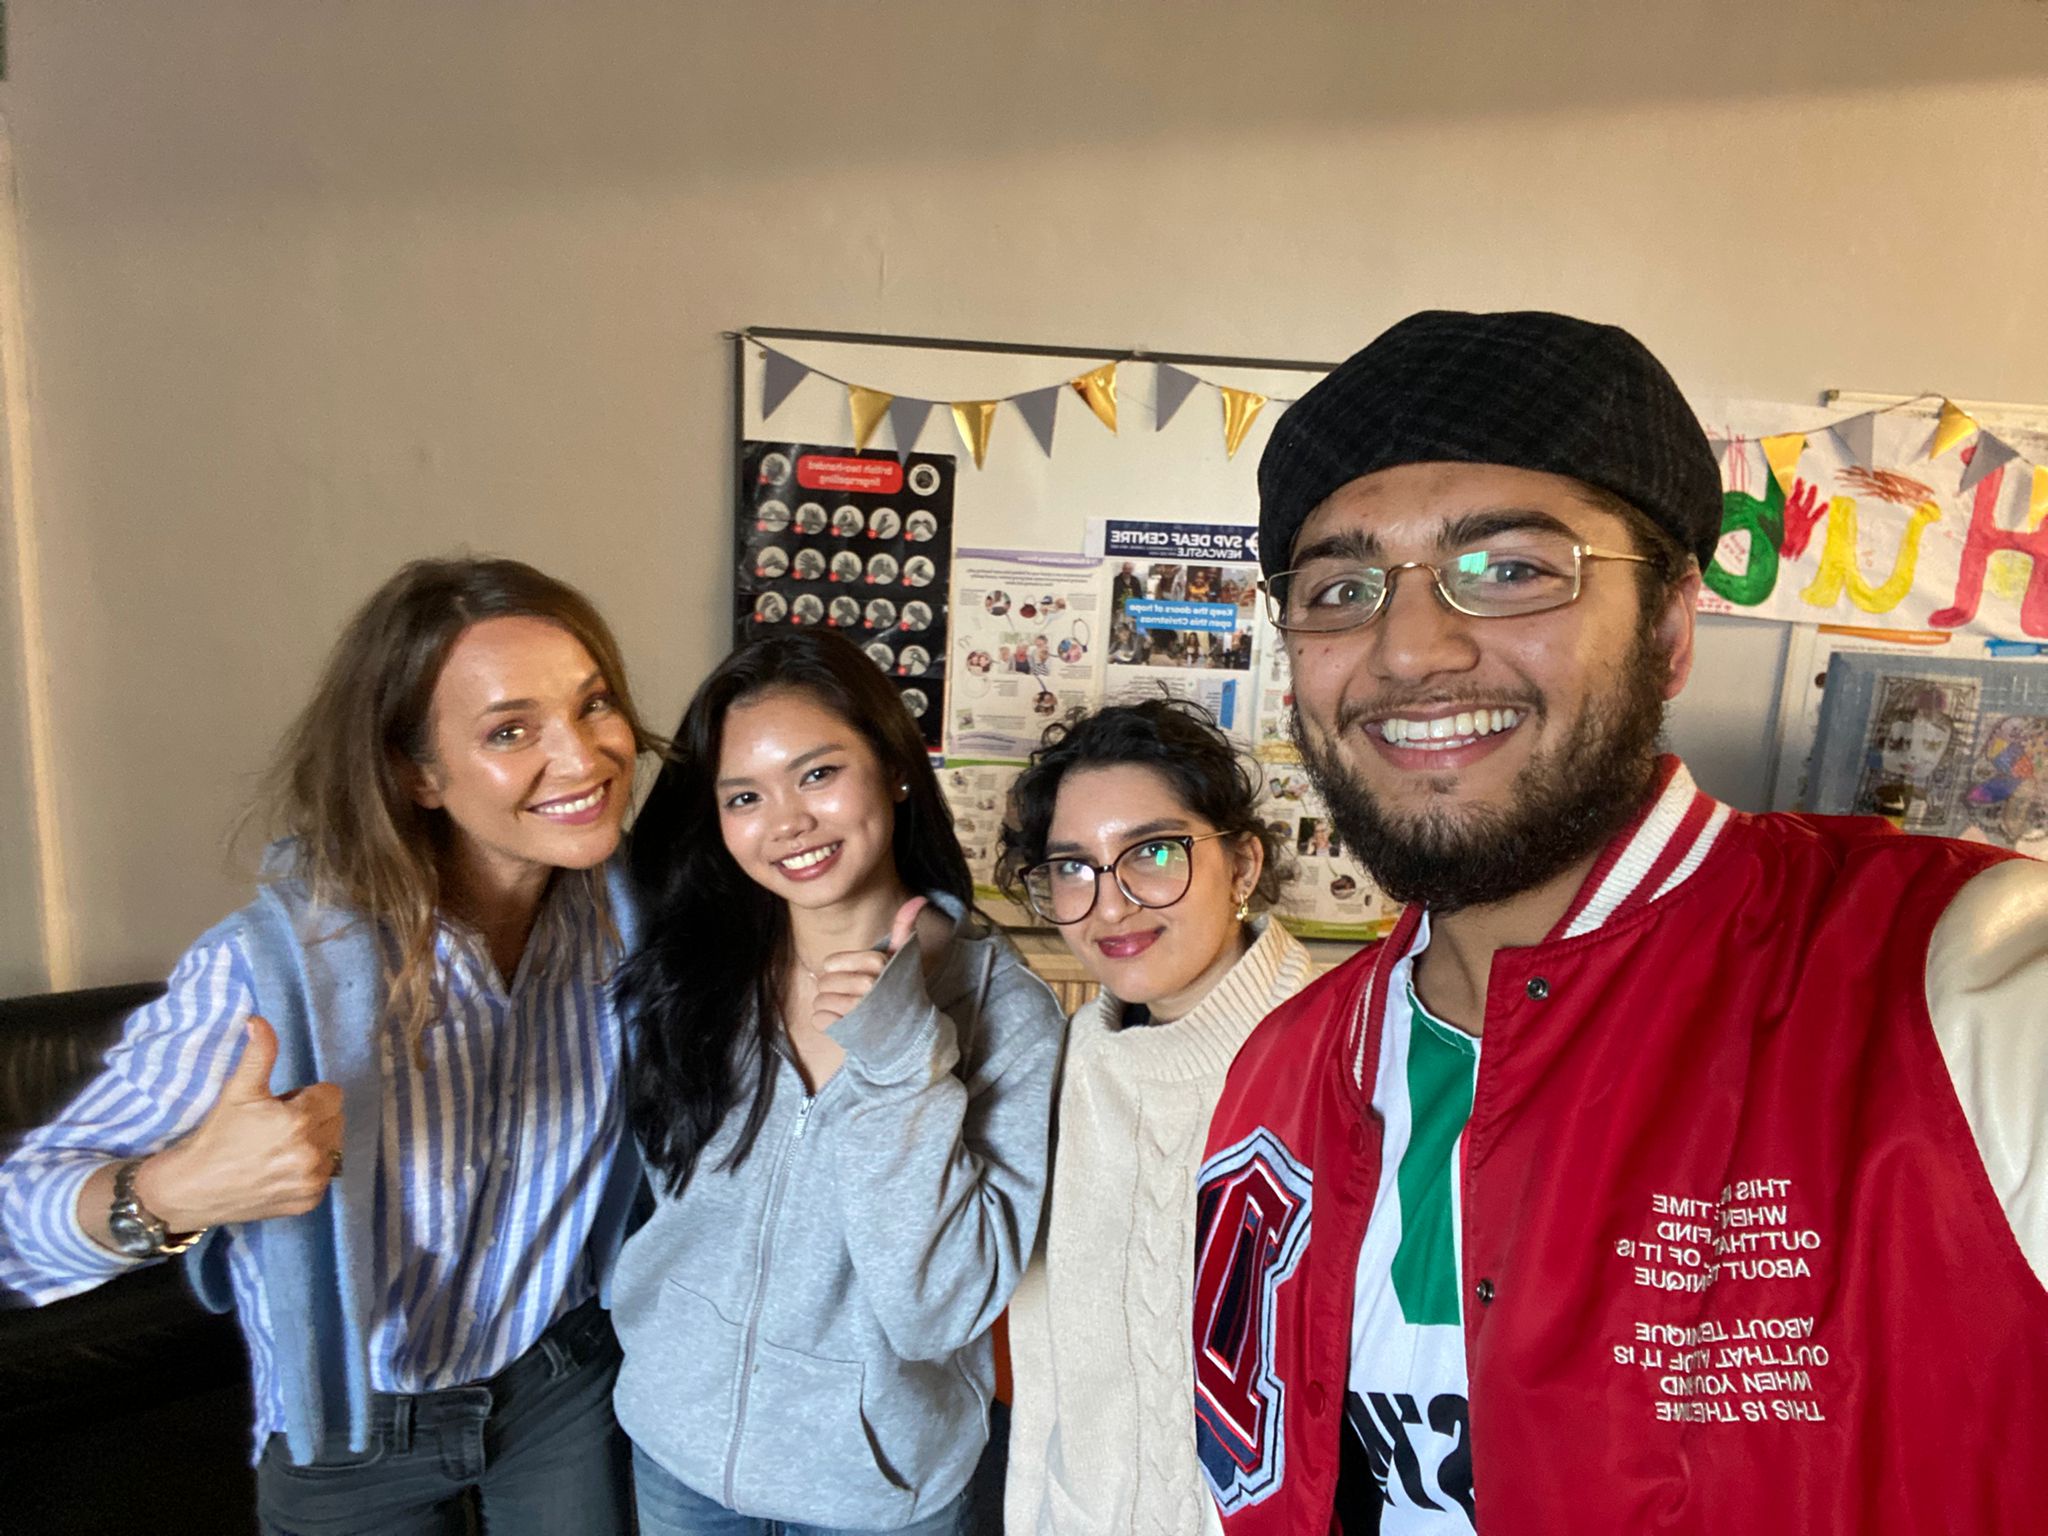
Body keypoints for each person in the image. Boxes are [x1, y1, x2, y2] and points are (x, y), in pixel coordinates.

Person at [1188, 310, 2048, 1535]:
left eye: (1509, 569)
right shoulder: (1281, 1071)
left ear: (1669, 626)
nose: (1409, 649)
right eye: (1340, 589)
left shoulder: (1958, 985)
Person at [0, 557, 661, 1534]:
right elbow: (15, 1222)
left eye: (592, 704)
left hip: (563, 1381)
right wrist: (172, 1193)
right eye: (509, 731)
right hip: (353, 1424)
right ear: (416, 774)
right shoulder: (270, 971)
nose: (583, 756)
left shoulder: (635, 923)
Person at [610, 628, 1063, 1535]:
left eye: (817, 774)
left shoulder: (1003, 1012)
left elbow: (940, 1308)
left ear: (893, 769)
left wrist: (902, 1061)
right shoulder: (696, 974)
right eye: (745, 796)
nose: (787, 821)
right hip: (679, 1458)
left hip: (876, 1494)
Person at [999, 699, 1312, 1536]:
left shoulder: (1340, 1055)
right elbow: (1048, 1369)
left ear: (1242, 864)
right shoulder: (1072, 1062)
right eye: (1073, 867)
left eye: (1155, 852)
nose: (1111, 905)